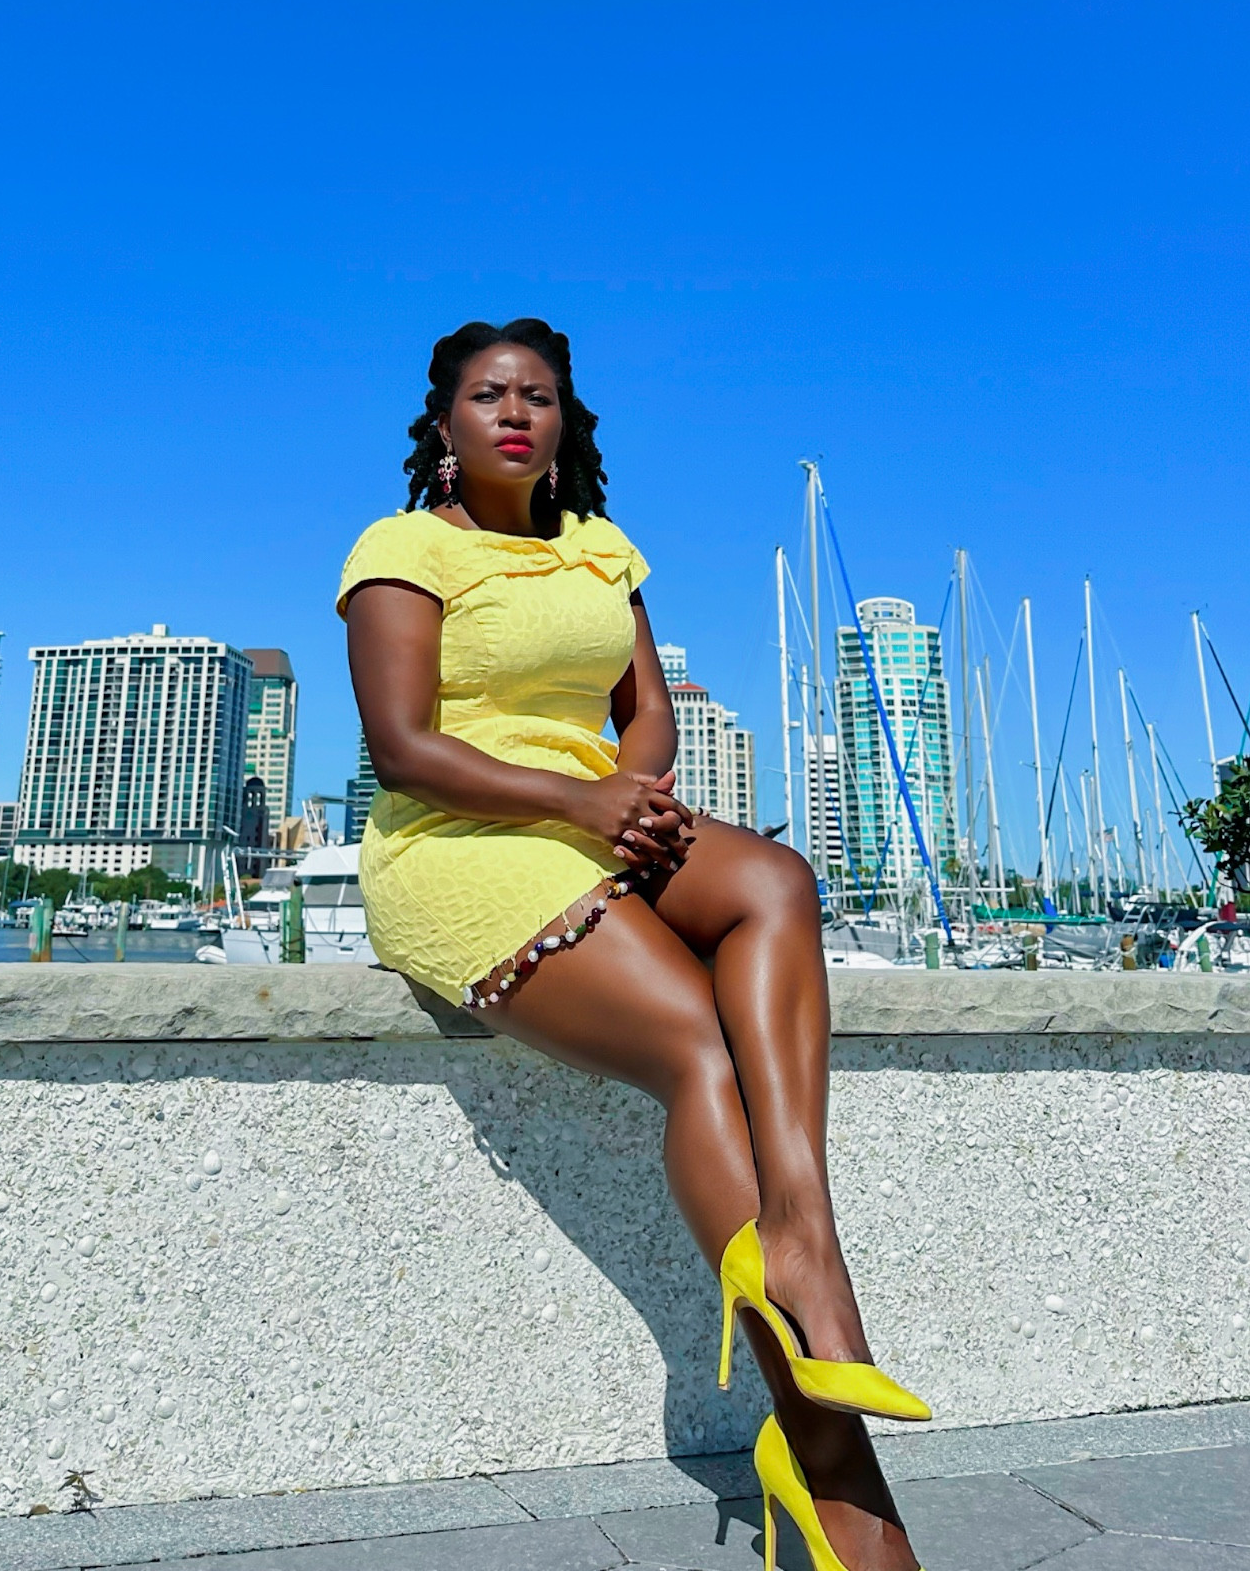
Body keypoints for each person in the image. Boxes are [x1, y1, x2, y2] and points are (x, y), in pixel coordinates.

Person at [339, 319, 927, 1571]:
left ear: (565, 424)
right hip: (462, 837)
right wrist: (579, 803)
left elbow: (645, 706)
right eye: (488, 394)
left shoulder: (605, 552)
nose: (514, 412)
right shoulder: (401, 550)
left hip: (599, 814)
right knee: (696, 1048)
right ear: (443, 423)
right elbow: (400, 746)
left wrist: (638, 791)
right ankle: (831, 1465)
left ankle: (802, 1230)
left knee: (774, 876)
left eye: (538, 396)